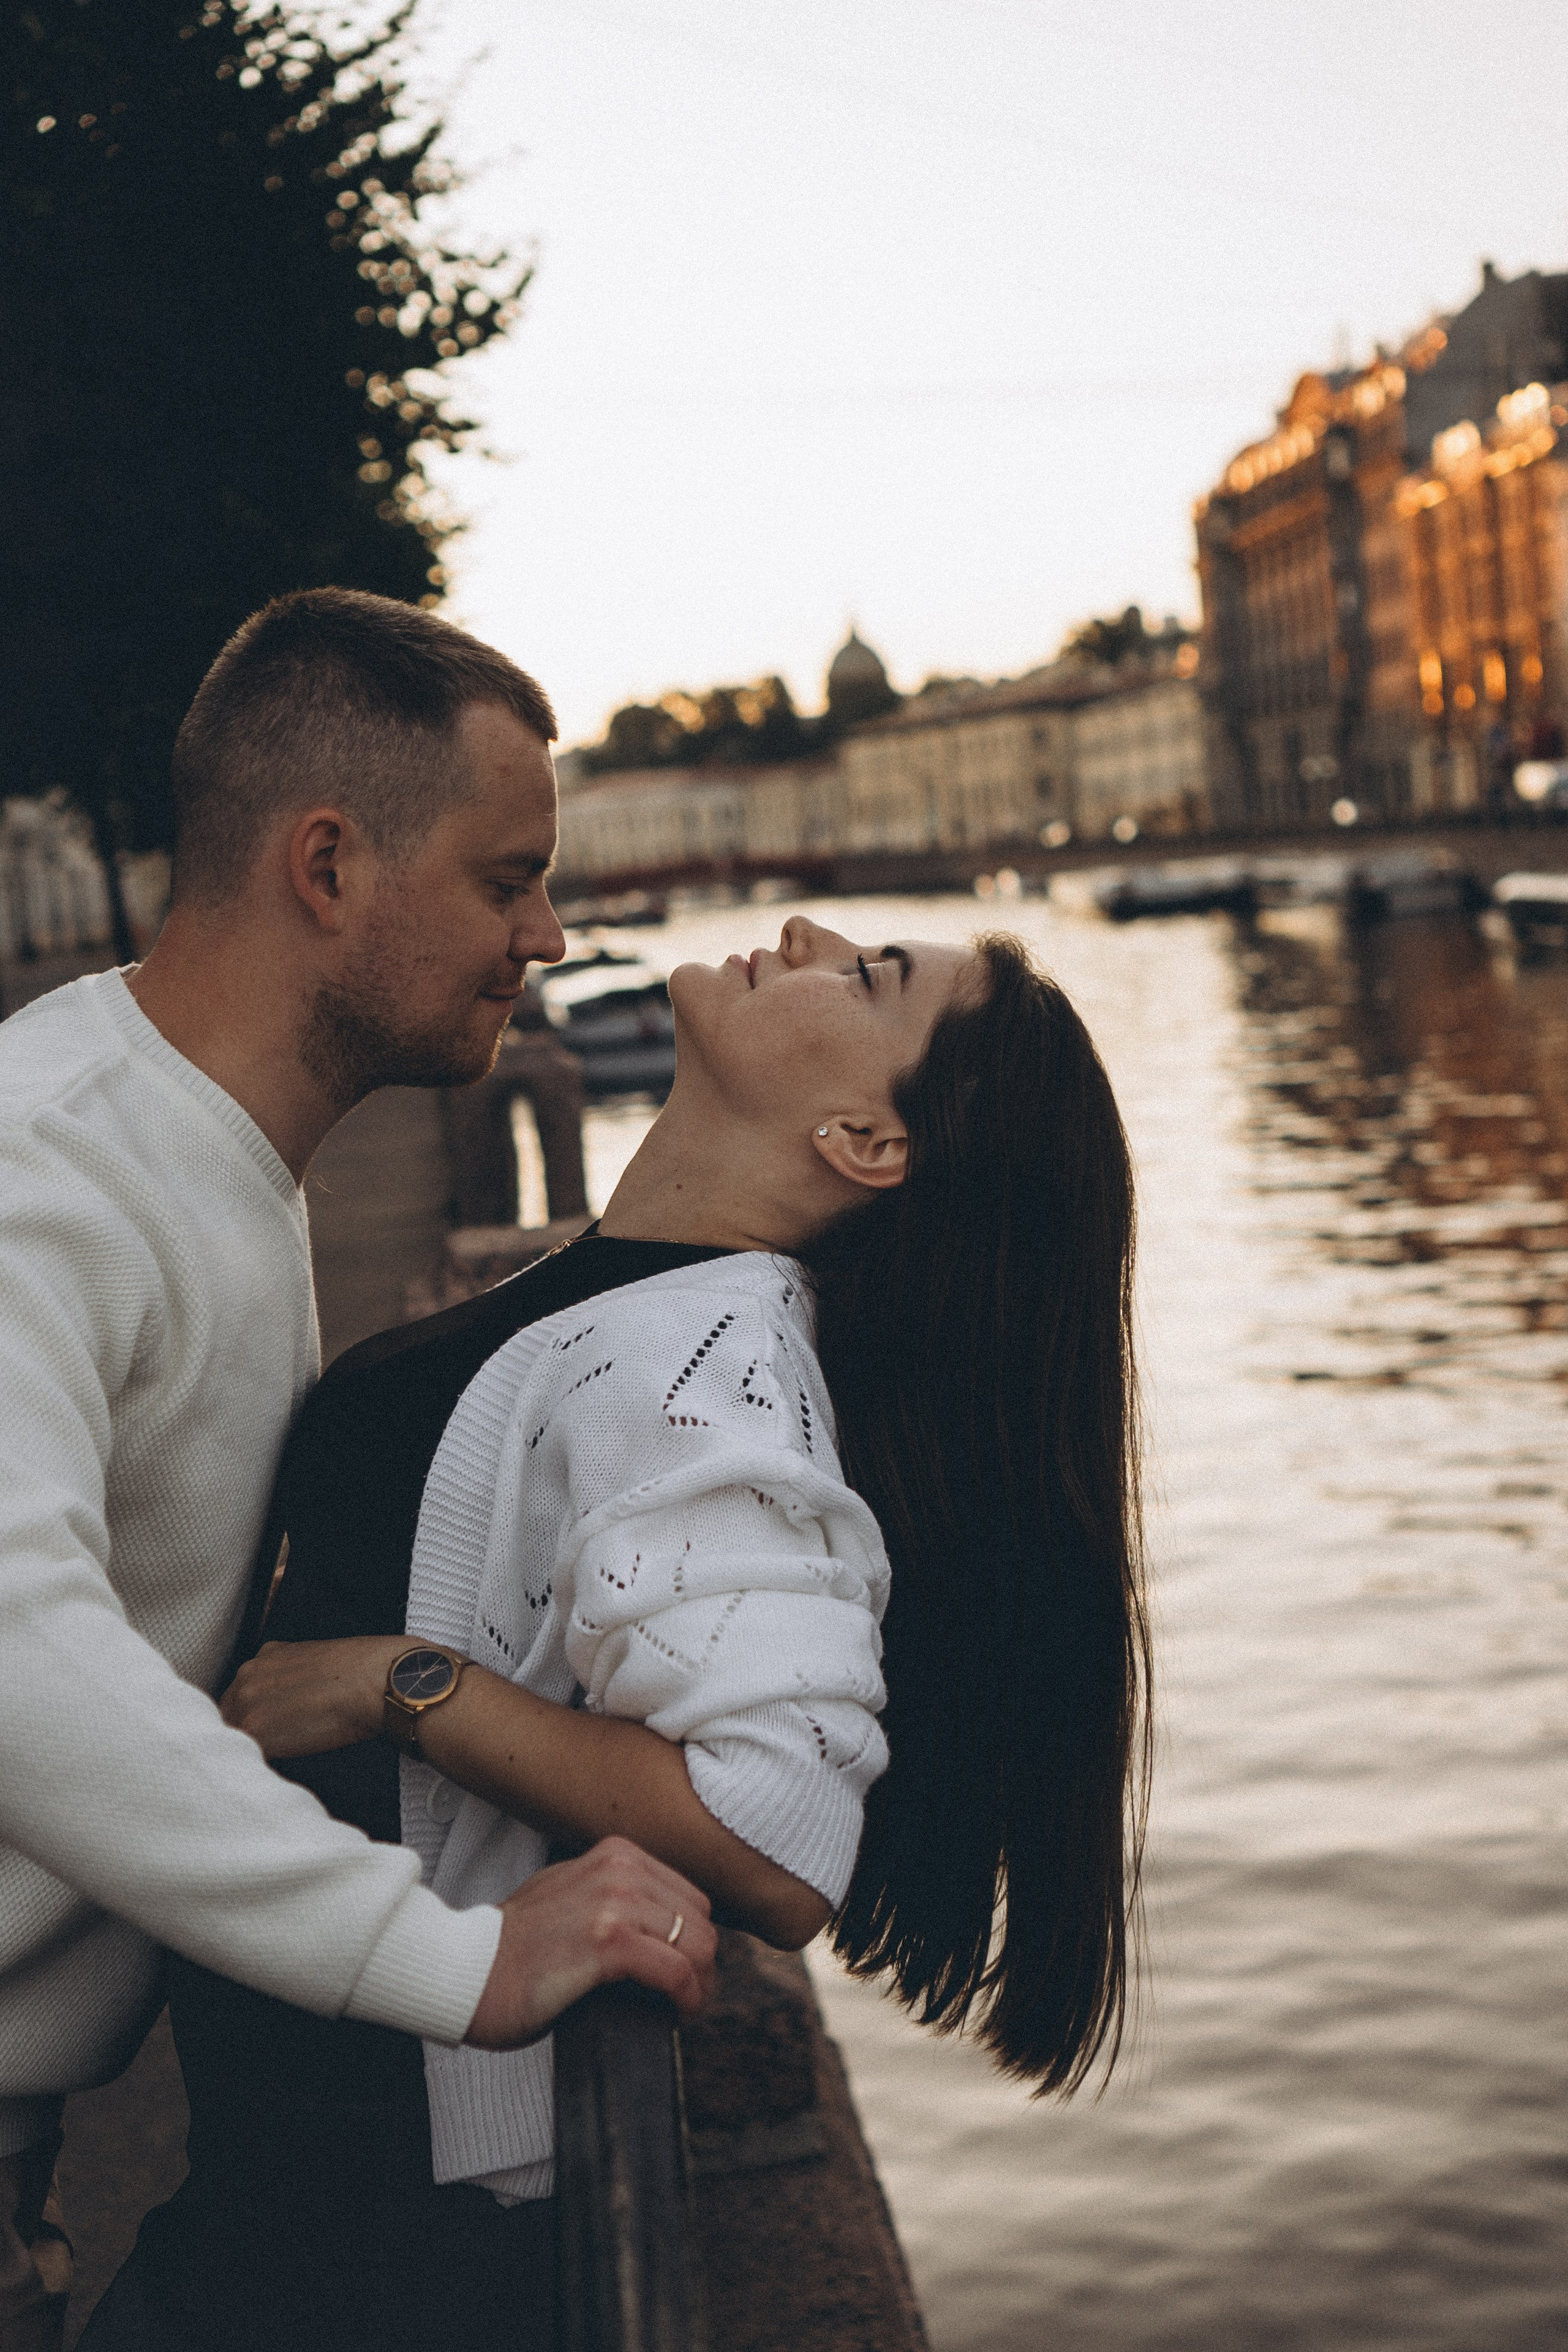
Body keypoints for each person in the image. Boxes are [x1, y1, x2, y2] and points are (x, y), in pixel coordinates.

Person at [87, 911, 1150, 2349]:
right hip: (303, 2165)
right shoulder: (650, 1308)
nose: (805, 931)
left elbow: (773, 1838)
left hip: (377, 2226)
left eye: (869, 976)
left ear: (862, 1139)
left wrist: (400, 1686)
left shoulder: (699, 1369)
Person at [0, 590, 718, 2352]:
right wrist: (457, 1962)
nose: (546, 933)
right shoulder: (48, 1171)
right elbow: (16, 1653)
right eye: (505, 877)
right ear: (329, 865)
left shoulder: (215, 1154)